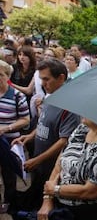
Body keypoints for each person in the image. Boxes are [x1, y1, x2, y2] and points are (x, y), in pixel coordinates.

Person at [12, 59, 80, 212]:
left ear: (61, 78)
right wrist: (29, 136)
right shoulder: (50, 96)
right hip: (39, 165)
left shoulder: (69, 105)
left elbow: (64, 141)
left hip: (52, 170)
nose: (42, 83)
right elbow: (44, 123)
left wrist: (37, 160)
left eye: (46, 79)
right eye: (41, 79)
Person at [37, 119, 97, 220]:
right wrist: (47, 199)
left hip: (91, 212)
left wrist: (54, 190)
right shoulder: (82, 129)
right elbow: (59, 164)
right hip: (61, 208)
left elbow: (90, 191)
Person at [0, 60, 30, 214]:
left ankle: (9, 202)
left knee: (9, 174)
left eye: (0, 74)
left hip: (9, 141)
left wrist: (7, 128)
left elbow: (26, 120)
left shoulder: (17, 95)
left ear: (7, 76)